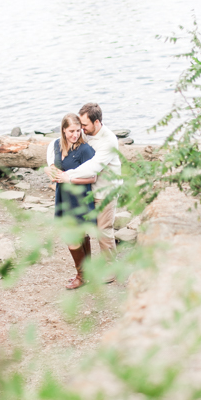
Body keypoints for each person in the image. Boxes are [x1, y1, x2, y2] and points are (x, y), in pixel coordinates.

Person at [48, 103, 122, 279]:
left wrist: (68, 177)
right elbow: (55, 143)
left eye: (84, 126)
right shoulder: (86, 134)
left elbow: (92, 167)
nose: (81, 129)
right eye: (79, 125)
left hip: (105, 191)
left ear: (96, 122)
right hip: (88, 191)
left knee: (103, 231)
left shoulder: (108, 141)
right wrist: (51, 165)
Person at [46, 113, 97, 290]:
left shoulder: (85, 150)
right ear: (63, 130)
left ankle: (82, 276)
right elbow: (55, 166)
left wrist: (69, 179)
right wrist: (51, 171)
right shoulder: (56, 145)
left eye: (78, 130)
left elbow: (93, 177)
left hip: (79, 198)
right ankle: (88, 274)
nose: (75, 135)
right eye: (71, 131)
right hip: (63, 196)